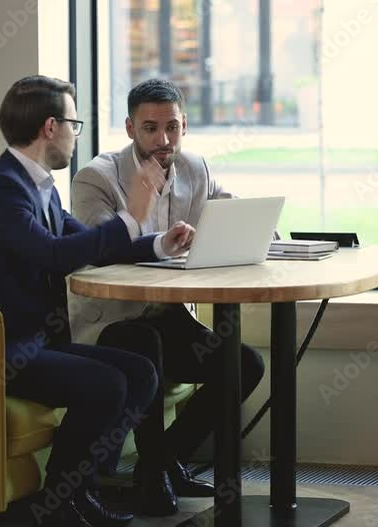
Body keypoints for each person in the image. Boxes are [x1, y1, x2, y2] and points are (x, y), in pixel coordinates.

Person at [0, 75, 195, 527]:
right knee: (106, 383)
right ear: (49, 127)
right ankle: (59, 502)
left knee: (139, 372)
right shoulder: (2, 191)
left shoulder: (38, 186)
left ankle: (75, 492)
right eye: (73, 124)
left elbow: (90, 244)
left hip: (32, 343)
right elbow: (56, 256)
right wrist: (131, 214)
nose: (75, 135)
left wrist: (159, 244)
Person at [67, 78, 265, 516]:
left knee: (244, 363)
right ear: (130, 128)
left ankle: (164, 459)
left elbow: (229, 216)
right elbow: (101, 249)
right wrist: (154, 233)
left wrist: (254, 232)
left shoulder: (196, 168)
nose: (163, 139)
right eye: (150, 128)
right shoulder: (95, 178)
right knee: (146, 344)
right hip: (112, 321)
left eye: (172, 127)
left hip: (171, 315)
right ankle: (154, 470)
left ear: (184, 126)